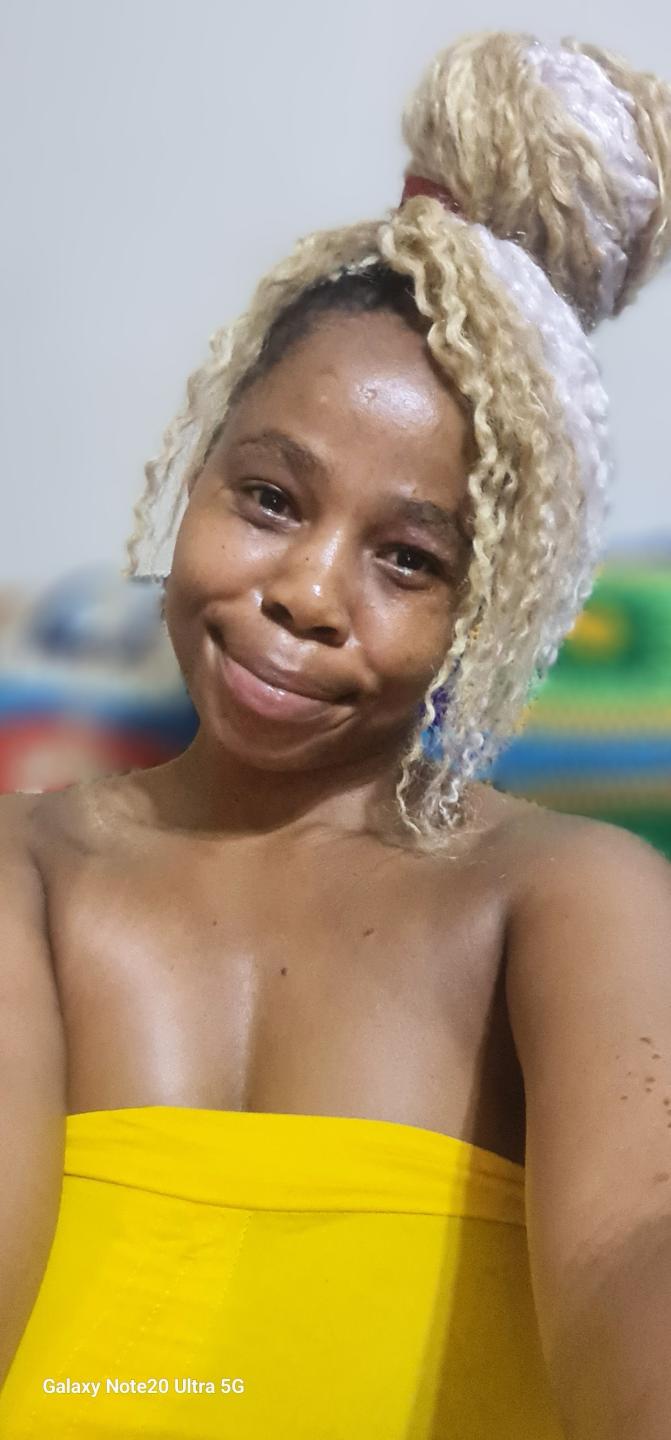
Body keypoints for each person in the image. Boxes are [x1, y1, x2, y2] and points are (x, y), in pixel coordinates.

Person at [1, 27, 671, 1440]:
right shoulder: (27, 875)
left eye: (409, 560)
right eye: (270, 498)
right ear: (197, 473)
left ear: (488, 611)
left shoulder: (565, 899)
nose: (307, 594)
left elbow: (634, 1253)